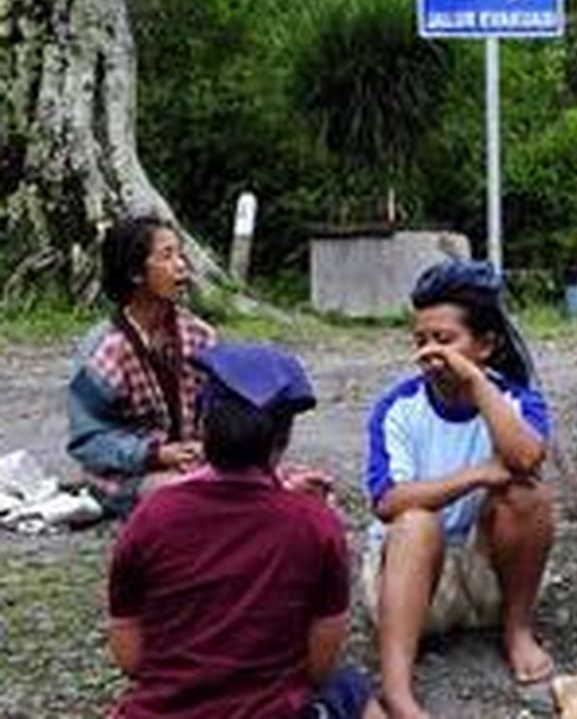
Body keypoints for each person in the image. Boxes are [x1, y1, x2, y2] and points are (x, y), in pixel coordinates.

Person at [107, 342, 383, 718]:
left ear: (204, 430)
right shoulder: (316, 525)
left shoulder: (151, 516)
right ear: (282, 438)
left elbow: (131, 659)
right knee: (351, 687)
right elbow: (318, 668)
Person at [363, 260, 555, 719]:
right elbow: (389, 501)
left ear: (486, 344)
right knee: (415, 522)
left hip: (487, 577)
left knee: (529, 498)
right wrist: (477, 475)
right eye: (421, 341)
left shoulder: (515, 400)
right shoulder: (398, 408)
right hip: (409, 580)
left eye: (444, 340)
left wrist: (475, 382)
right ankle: (397, 690)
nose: (430, 353)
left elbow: (526, 460)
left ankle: (516, 631)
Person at [68, 215, 215, 517]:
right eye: (167, 255)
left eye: (180, 253)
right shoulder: (104, 351)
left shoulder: (199, 335)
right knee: (184, 494)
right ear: (136, 273)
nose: (181, 265)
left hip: (192, 463)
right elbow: (87, 441)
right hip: (125, 474)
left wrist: (210, 445)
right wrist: (154, 454)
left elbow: (219, 408)